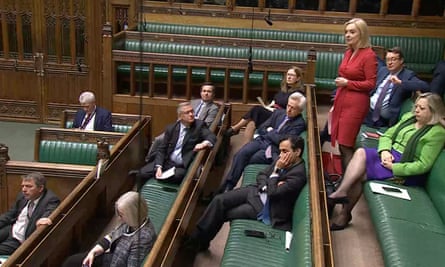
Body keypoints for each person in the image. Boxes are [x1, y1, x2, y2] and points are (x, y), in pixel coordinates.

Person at [328, 93, 445, 230]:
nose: (417, 110)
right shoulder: (409, 118)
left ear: (433, 111)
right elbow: (388, 135)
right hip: (389, 155)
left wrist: (394, 167)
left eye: (422, 108)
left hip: (405, 168)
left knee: (360, 175)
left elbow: (423, 165)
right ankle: (342, 193)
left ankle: (344, 213)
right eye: (416, 106)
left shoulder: (437, 133)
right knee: (360, 153)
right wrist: (384, 151)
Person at [184, 136, 307, 252]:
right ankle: (197, 238)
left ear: (297, 152)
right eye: (280, 151)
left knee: (225, 213)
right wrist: (267, 185)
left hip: (267, 208)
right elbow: (262, 175)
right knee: (219, 200)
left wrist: (275, 172)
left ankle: (199, 243)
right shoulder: (282, 159)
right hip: (257, 192)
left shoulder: (298, 174)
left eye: (285, 151)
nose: (281, 155)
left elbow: (273, 193)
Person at [220, 92, 306, 192]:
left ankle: (228, 188)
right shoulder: (279, 113)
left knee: (247, 159)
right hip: (262, 141)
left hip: (273, 149)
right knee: (240, 154)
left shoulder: (299, 124)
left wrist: (270, 131)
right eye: (288, 106)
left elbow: (282, 141)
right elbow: (262, 128)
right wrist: (271, 133)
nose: (289, 109)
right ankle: (227, 187)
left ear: (300, 110)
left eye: (293, 108)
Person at [330, 18, 377, 171]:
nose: (348, 35)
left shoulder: (368, 55)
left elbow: (371, 84)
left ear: (361, 34)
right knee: (340, 143)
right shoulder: (349, 51)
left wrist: (347, 83)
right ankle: (344, 179)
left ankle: (349, 184)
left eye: (352, 32)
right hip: (342, 99)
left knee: (346, 144)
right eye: (346, 32)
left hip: (356, 104)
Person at [130, 102, 216, 185]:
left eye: (192, 111)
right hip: (167, 162)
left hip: (181, 166)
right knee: (141, 174)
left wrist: (204, 144)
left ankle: (160, 177)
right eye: (187, 112)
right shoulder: (171, 128)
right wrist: (159, 166)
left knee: (178, 176)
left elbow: (211, 137)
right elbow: (162, 149)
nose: (191, 114)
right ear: (180, 116)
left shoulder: (199, 125)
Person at [62, 191, 156, 267]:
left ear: (132, 214)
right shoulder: (130, 223)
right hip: (112, 258)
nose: (119, 218)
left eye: (121, 215)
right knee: (71, 262)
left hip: (115, 263)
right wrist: (93, 252)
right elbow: (111, 236)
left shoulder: (143, 238)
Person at [145, 83, 218, 161]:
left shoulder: (213, 108)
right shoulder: (193, 102)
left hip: (193, 131)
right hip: (180, 126)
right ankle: (148, 159)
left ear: (213, 94)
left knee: (170, 145)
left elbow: (206, 124)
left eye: (209, 92)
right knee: (158, 140)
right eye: (204, 91)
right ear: (201, 92)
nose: (206, 93)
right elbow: (181, 113)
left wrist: (189, 119)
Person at [225, 66, 304, 137]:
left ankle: (235, 128)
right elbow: (275, 100)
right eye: (288, 74)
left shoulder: (297, 94)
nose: (289, 77)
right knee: (252, 121)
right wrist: (269, 106)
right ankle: (244, 142)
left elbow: (290, 110)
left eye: (292, 75)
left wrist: (273, 109)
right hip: (272, 111)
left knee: (256, 110)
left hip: (280, 117)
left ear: (298, 78)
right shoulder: (284, 88)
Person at [364, 47, 429, 128]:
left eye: (393, 59)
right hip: (368, 112)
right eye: (387, 60)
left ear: (401, 60)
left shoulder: (407, 75)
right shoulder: (383, 70)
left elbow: (425, 86)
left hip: (385, 119)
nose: (390, 63)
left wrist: (400, 82)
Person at [0, 172, 60, 255]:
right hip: (11, 229)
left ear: (40, 188)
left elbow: (49, 212)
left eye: (29, 186)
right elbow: (10, 214)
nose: (24, 189)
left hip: (21, 240)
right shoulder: (23, 196)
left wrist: (45, 218)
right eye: (23, 186)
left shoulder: (51, 199)